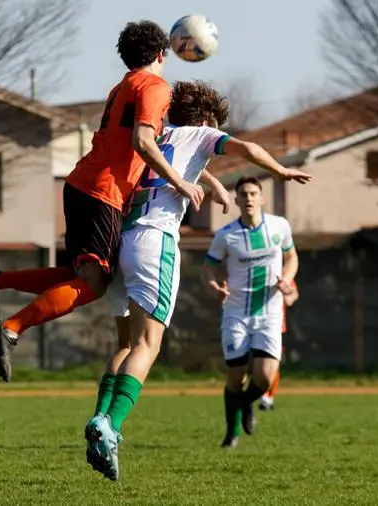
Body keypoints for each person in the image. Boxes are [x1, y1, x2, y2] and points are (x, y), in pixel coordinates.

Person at [0, 20, 207, 383]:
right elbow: (143, 142)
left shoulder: (123, 86)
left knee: (77, 277)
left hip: (84, 184)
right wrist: (181, 184)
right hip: (102, 193)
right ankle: (11, 327)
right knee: (94, 284)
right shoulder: (155, 86)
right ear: (162, 53)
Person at [85, 81, 313, 480]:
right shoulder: (205, 135)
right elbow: (248, 150)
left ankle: (101, 417)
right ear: (207, 120)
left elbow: (182, 161)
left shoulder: (157, 136)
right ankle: (111, 426)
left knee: (124, 343)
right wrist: (279, 169)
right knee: (148, 345)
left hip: (120, 241)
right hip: (156, 240)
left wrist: (212, 182)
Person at [201, 176, 299, 449]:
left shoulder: (279, 226)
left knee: (265, 377)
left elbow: (291, 257)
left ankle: (244, 404)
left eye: (254, 193)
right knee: (236, 375)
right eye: (243, 194)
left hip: (269, 312)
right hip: (236, 314)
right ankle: (231, 434)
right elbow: (207, 268)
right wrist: (213, 286)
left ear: (262, 198)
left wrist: (286, 280)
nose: (249, 198)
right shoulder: (226, 235)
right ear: (237, 200)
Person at [259, 283, 299, 411]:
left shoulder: (283, 271)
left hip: (276, 327)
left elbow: (293, 293)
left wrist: (290, 297)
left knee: (273, 363)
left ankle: (268, 396)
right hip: (252, 324)